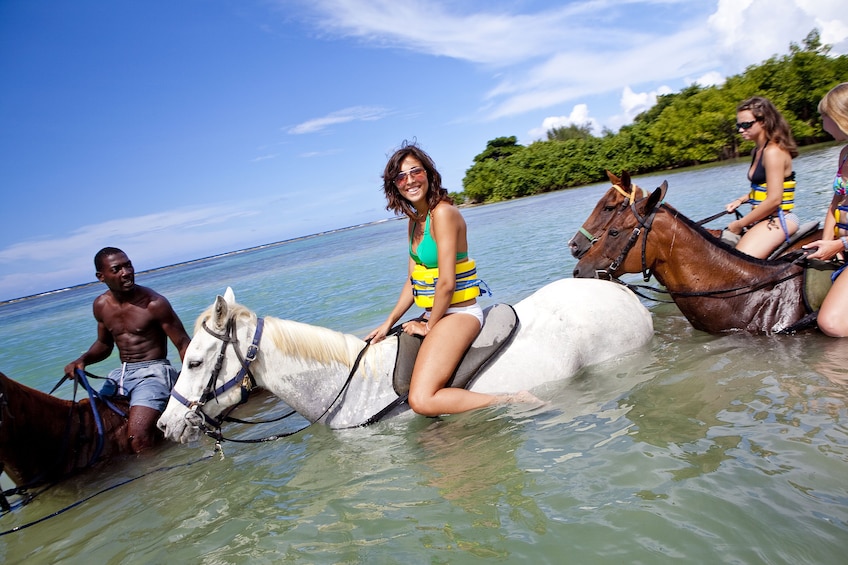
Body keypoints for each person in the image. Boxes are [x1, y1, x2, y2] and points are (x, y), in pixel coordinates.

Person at [366, 143, 531, 416]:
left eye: (415, 172)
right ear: (395, 186)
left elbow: (446, 283)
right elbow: (414, 280)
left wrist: (429, 326)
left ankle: (513, 400)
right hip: (437, 312)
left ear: (429, 174)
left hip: (460, 313)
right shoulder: (415, 221)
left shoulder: (443, 213)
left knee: (422, 401)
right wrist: (387, 323)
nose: (409, 180)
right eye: (401, 177)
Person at [64, 247, 191, 452]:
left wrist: (190, 385)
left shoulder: (154, 303)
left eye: (128, 265)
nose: (126, 272)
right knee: (94, 431)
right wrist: (82, 360)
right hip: (121, 375)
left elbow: (183, 343)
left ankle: (155, 479)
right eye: (117, 269)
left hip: (154, 374)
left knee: (138, 437)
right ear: (101, 276)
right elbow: (104, 345)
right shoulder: (101, 305)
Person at [724, 96, 800, 258]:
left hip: (779, 220)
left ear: (764, 121)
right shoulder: (757, 151)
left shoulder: (773, 152)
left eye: (746, 125)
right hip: (763, 219)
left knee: (739, 262)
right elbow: (765, 188)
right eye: (739, 125)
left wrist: (740, 224)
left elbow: (774, 199)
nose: (740, 130)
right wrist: (741, 200)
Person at [802, 83, 848, 337]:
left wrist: (840, 245)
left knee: (830, 323)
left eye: (824, 116)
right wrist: (826, 243)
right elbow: (836, 202)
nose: (821, 123)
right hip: (842, 245)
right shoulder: (844, 154)